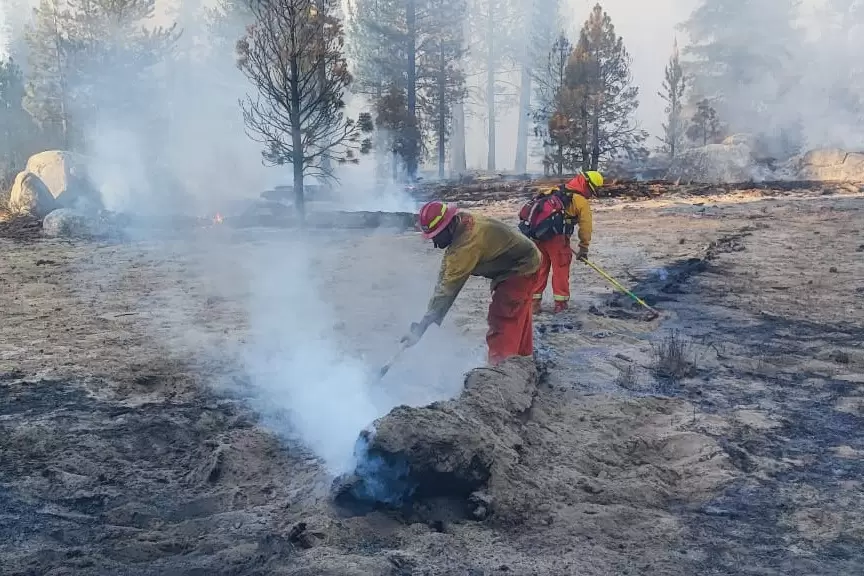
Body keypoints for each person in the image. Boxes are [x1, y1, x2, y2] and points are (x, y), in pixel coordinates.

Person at [402, 201, 541, 366]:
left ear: (447, 226)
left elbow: (448, 290)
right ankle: (524, 362)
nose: (435, 244)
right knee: (519, 315)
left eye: (436, 236)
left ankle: (500, 371)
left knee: (503, 317)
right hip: (524, 261)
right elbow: (445, 276)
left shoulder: (467, 243)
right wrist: (423, 324)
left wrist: (423, 327)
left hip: (520, 269)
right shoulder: (461, 222)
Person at [530, 170, 602, 314]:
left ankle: (534, 304)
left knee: (540, 269)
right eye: (591, 190)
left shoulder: (555, 191)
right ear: (586, 185)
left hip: (539, 236)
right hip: (558, 240)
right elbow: (586, 227)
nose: (590, 194)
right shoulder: (580, 201)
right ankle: (560, 305)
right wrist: (583, 248)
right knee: (560, 271)